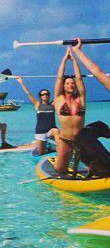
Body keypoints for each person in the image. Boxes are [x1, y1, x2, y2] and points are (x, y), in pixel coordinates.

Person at [53, 46, 86, 174]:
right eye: (67, 83)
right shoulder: (58, 98)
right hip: (65, 140)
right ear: (63, 86)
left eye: (72, 83)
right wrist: (65, 60)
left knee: (94, 168)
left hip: (82, 139)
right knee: (60, 169)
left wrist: (74, 61)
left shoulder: (81, 98)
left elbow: (79, 79)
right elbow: (59, 78)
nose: (71, 85)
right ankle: (55, 135)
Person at [15, 76, 58, 156]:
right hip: (40, 131)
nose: (45, 95)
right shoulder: (37, 104)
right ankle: (49, 148)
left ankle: (61, 151)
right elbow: (28, 92)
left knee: (56, 132)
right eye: (43, 94)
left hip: (51, 130)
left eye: (47, 94)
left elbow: (58, 92)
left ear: (49, 95)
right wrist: (21, 82)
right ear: (40, 96)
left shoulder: (53, 105)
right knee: (41, 153)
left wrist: (62, 79)